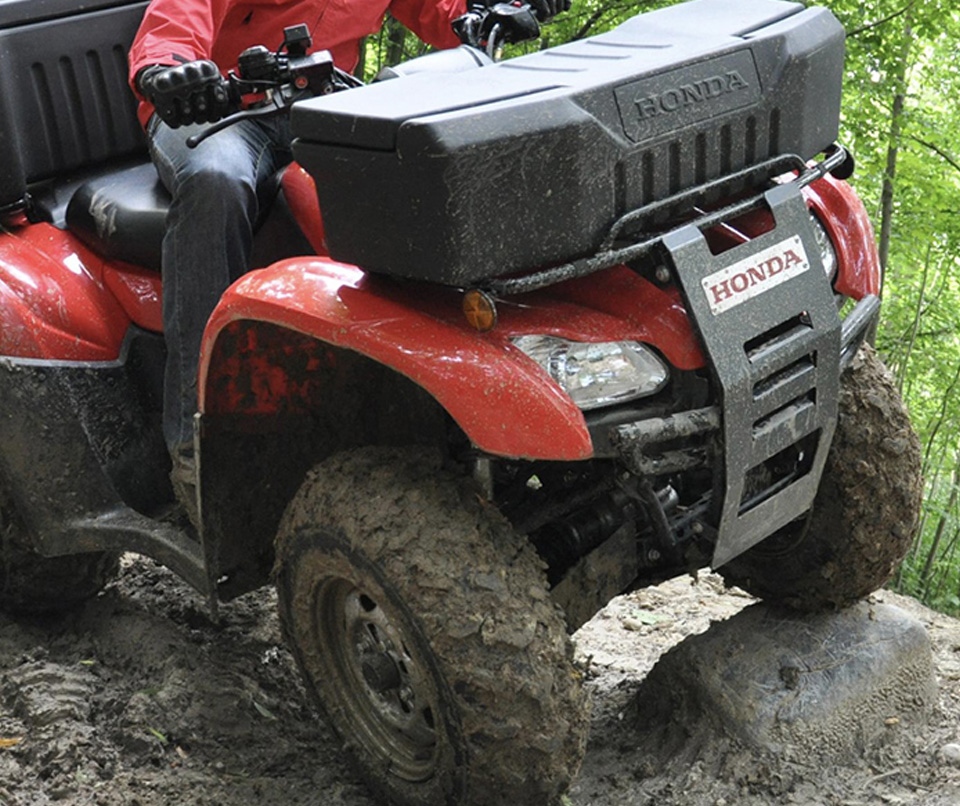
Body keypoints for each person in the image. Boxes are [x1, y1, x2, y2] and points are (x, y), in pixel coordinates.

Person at [127, 0, 568, 521]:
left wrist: (496, 9)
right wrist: (169, 71)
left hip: (325, 106)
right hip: (214, 110)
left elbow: (442, 12)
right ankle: (197, 443)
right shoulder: (194, 87)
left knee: (429, 164)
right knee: (216, 182)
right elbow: (179, 15)